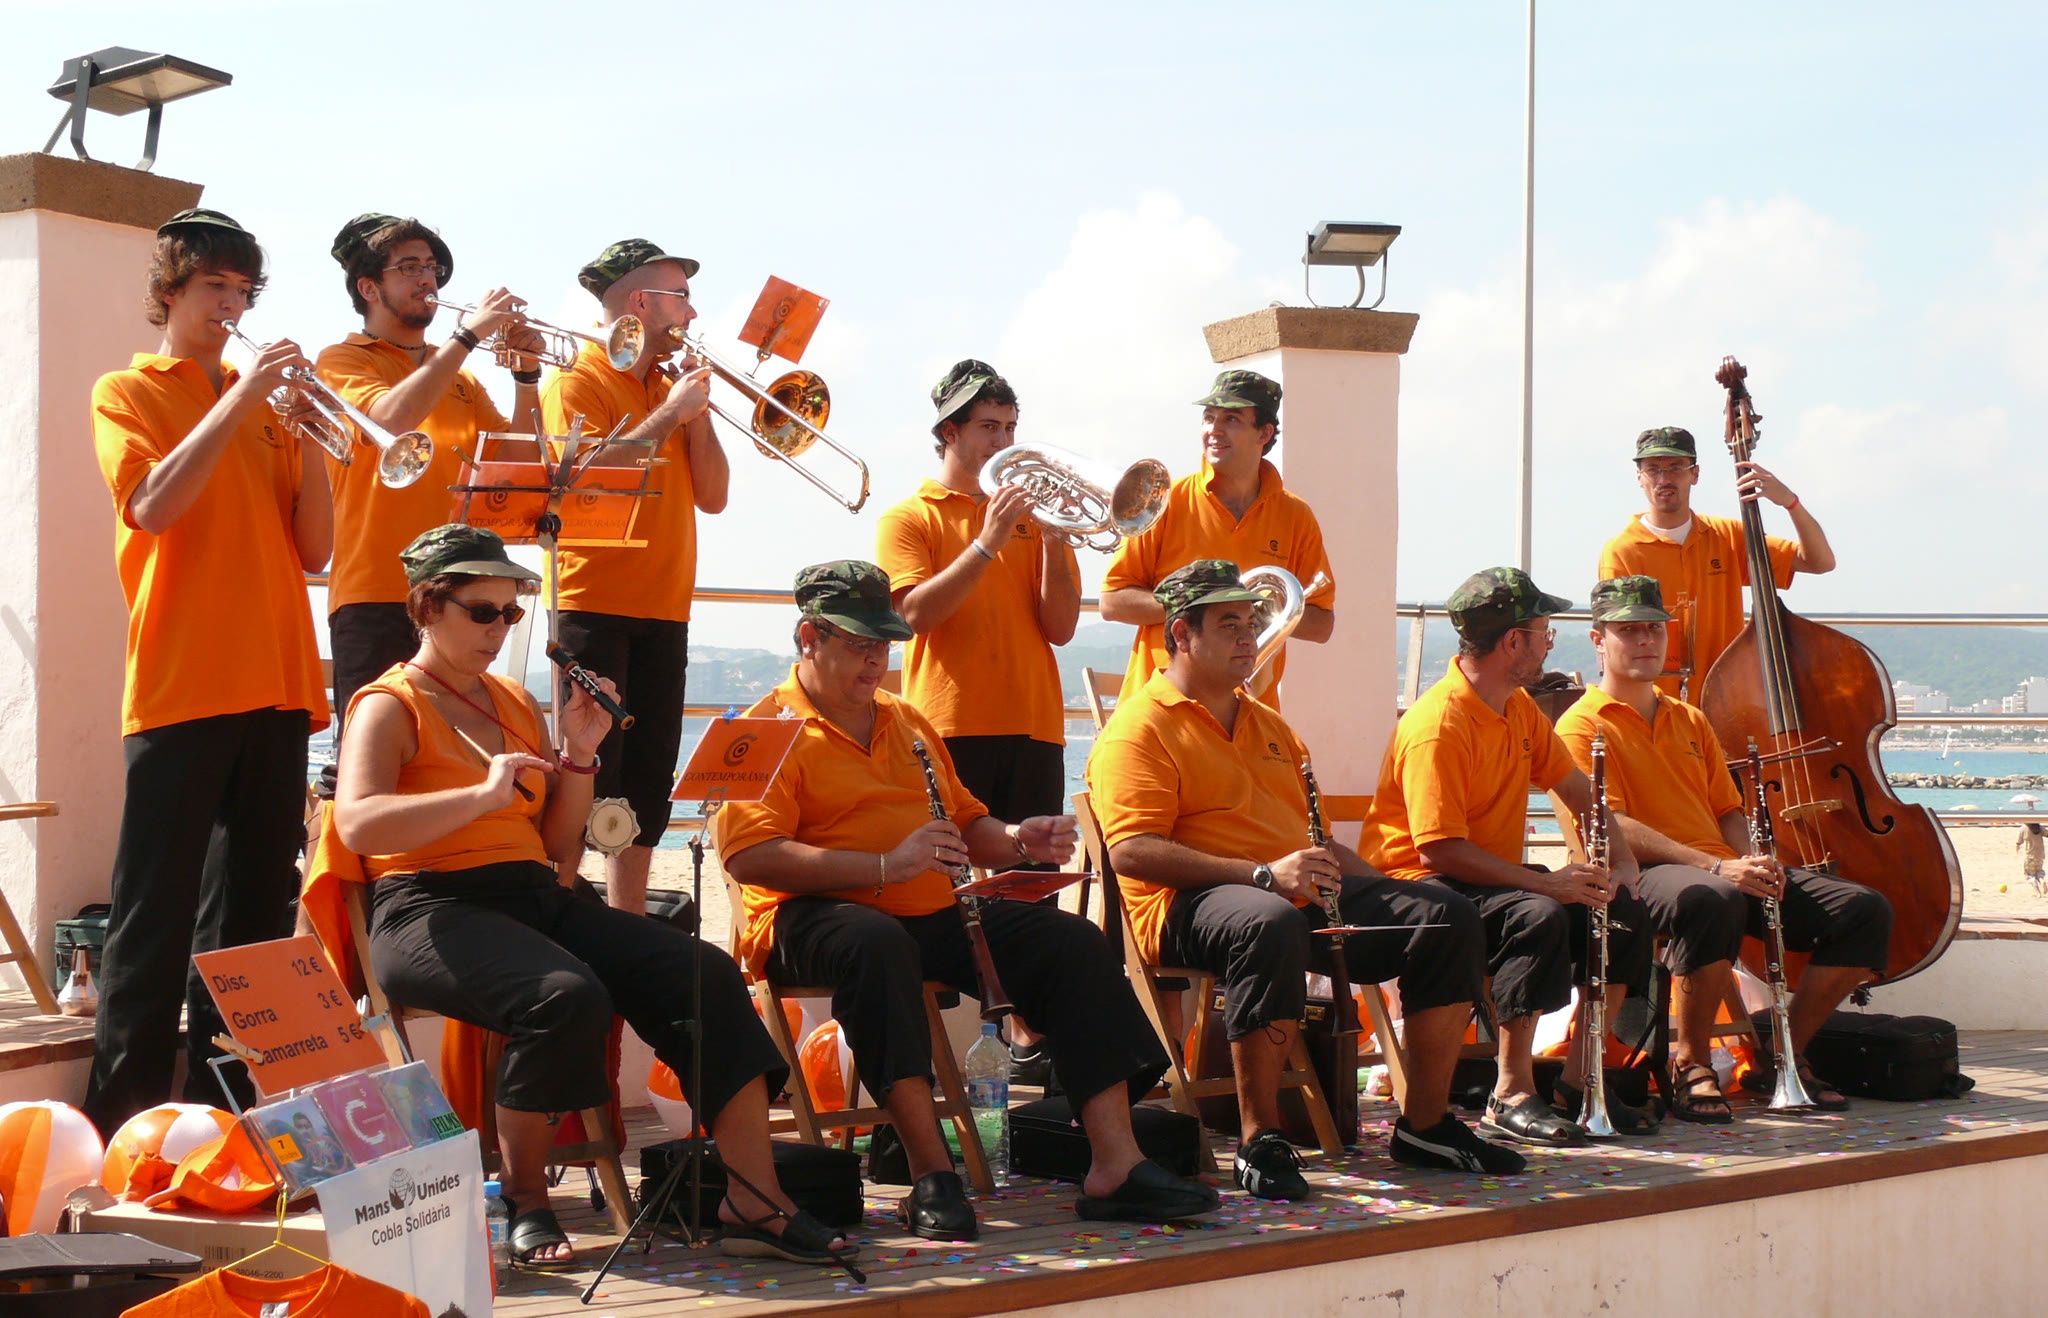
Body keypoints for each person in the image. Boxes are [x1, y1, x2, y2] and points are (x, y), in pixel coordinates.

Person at [333, 525, 850, 1270]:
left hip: (530, 893)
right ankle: (526, 1198)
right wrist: (478, 798)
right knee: (562, 995)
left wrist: (580, 754)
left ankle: (754, 1198)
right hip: (428, 905)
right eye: (482, 612)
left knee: (702, 972)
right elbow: (356, 821)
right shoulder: (389, 704)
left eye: (511, 613)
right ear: (426, 607)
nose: (500, 628)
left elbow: (554, 844)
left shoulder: (512, 700)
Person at [717, 562, 1218, 1241]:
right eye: (860, 643)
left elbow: (965, 822)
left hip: (926, 909)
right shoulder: (762, 727)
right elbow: (749, 856)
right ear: (809, 637)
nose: (876, 659)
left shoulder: (906, 718)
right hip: (808, 915)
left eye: (884, 644)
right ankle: (931, 1176)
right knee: (877, 944)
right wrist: (884, 866)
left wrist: (1016, 839)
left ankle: (1115, 1164)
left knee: (1069, 941)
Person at [1087, 561, 1524, 1189]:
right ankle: (1259, 1139)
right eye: (1229, 624)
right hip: (1187, 905)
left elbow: (1314, 843)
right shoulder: (1139, 727)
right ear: (1181, 634)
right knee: (1268, 921)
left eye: (1252, 622)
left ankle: (1425, 1126)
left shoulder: (1271, 725)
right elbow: (1132, 851)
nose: (1250, 637)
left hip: (1291, 891)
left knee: (1446, 915)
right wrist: (1264, 875)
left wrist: (1385, 890)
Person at [83, 209, 332, 1136]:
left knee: (253, 927)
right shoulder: (126, 390)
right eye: (213, 287)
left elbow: (315, 549)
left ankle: (223, 1119)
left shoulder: (261, 404)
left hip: (278, 679)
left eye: (242, 290)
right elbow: (153, 505)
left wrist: (310, 437)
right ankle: (122, 1123)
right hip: (182, 680)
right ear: (170, 291)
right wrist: (240, 403)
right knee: (153, 914)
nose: (231, 305)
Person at [1555, 576, 1894, 1116]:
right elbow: (1612, 824)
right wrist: (1716, 866)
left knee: (1862, 910)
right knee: (1712, 899)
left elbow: (1726, 811)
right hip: (1642, 872)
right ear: (1599, 640)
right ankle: (1690, 1063)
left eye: (1654, 629)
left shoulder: (1689, 718)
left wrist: (1756, 859)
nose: (1645, 640)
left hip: (1718, 868)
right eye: (1628, 630)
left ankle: (1781, 1055)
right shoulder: (1578, 726)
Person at [1360, 568, 1658, 1145]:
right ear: (1513, 642)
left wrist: (1623, 863)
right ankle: (1511, 1092)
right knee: (1535, 914)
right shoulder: (1438, 724)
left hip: (1489, 881)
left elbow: (1575, 788)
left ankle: (1581, 1083)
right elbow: (1438, 848)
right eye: (1544, 632)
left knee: (1620, 910)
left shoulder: (1517, 706)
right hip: (1418, 885)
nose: (1550, 644)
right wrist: (1543, 883)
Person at [875, 360, 1082, 1080]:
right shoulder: (910, 516)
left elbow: (1061, 627)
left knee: (1033, 884)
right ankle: (944, 1051)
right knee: (948, 891)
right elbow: (912, 615)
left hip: (1034, 719)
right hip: (949, 725)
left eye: (1011, 427)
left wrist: (1054, 537)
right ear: (949, 432)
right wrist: (987, 541)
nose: (1003, 442)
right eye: (989, 427)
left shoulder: (1028, 517)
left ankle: (1033, 1043)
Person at [540, 240, 725, 912]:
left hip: (666, 606)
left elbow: (714, 495)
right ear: (642, 302)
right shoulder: (578, 378)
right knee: (585, 775)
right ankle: (561, 915)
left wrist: (695, 415)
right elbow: (587, 480)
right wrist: (671, 412)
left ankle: (631, 926)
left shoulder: (667, 388)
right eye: (681, 297)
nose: (692, 312)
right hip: (593, 601)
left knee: (646, 785)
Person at [315, 213, 544, 730]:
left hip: (458, 596)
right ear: (368, 287)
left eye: (431, 267)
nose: (428, 280)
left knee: (455, 753)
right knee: (375, 751)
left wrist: (526, 378)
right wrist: (469, 335)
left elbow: (520, 468)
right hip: (375, 595)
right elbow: (389, 420)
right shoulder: (342, 359)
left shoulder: (459, 378)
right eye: (409, 267)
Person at [1100, 370, 1334, 708]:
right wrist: (1202, 606)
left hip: (1250, 710)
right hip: (1163, 708)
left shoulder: (1296, 516)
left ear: (1264, 433)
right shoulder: (1166, 501)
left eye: (1231, 419)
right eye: (1209, 417)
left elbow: (1322, 624)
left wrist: (1269, 610)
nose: (1214, 430)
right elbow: (1112, 602)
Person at [1598, 426, 1836, 700]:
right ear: (1640, 477)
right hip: (1657, 704)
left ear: (1695, 474)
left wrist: (1790, 502)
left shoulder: (1727, 536)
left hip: (1727, 701)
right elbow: (1616, 641)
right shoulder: (1621, 551)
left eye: (1676, 467)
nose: (1664, 479)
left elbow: (1819, 562)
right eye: (1653, 469)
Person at [2019, 822, 2046, 897]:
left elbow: (2018, 842)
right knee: (2039, 871)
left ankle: (2038, 893)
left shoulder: (2024, 828)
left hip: (2029, 856)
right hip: (2040, 855)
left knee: (2029, 875)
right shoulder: (2039, 827)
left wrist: (2017, 851)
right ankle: (2042, 881)